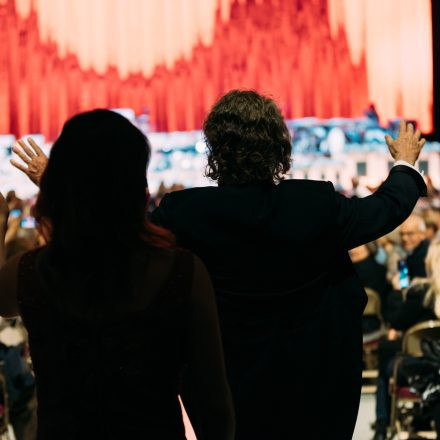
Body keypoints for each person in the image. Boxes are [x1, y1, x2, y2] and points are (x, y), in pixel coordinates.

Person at [13, 91, 427, 440]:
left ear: (213, 149)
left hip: (229, 396)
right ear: (280, 146)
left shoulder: (183, 213)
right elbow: (385, 209)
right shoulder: (316, 204)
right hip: (320, 395)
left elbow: (116, 234)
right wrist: (406, 161)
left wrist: (60, 186)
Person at [1, 110, 235, 440]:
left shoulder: (30, 273)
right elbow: (215, 409)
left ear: (60, 187)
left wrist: (58, 194)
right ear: (137, 186)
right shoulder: (183, 273)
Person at [372, 239, 440, 440]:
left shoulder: (421, 293)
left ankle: (382, 426)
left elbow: (396, 320)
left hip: (423, 366)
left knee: (386, 360)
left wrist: (397, 292)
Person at [399, 214, 429, 279]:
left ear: (422, 234)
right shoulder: (413, 251)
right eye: (402, 234)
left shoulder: (425, 256)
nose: (404, 238)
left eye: (410, 233)